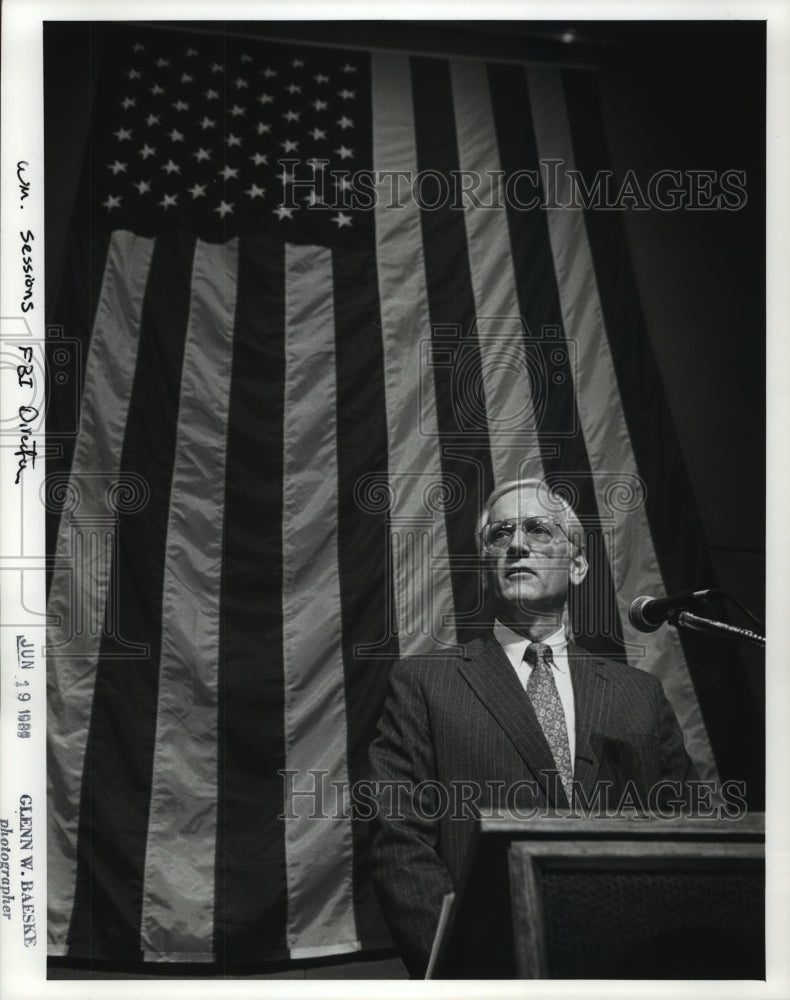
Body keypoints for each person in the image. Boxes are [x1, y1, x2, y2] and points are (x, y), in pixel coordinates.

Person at [368, 477, 698, 977]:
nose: (517, 544)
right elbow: (400, 843)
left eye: (539, 530)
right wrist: (465, 964)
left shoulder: (639, 693)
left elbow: (689, 829)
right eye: (500, 535)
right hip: (486, 967)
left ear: (579, 565)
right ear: (485, 568)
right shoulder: (424, 682)